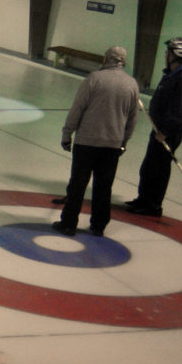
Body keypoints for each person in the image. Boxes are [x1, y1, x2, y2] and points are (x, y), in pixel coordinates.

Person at [53, 46, 139, 237]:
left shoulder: (94, 79)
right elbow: (133, 119)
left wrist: (67, 134)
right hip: (112, 144)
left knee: (78, 184)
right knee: (104, 187)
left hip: (87, 142)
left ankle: (68, 223)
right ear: (123, 62)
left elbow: (78, 109)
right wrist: (124, 141)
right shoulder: (132, 85)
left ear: (106, 59)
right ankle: (99, 225)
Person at [124, 37, 182, 217]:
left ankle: (153, 205)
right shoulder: (172, 73)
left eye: (168, 51)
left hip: (168, 131)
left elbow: (179, 111)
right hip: (159, 128)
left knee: (158, 168)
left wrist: (166, 132)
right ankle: (143, 199)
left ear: (177, 55)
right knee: (149, 166)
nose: (166, 54)